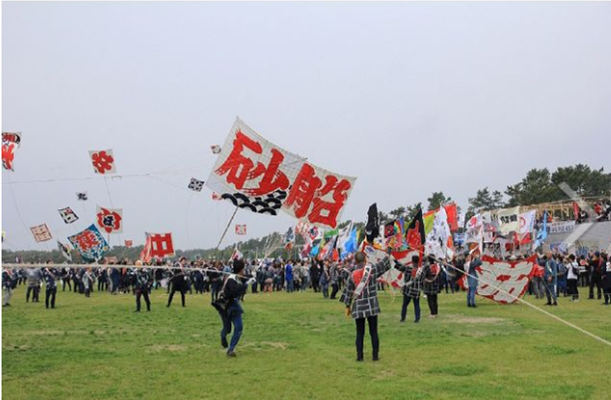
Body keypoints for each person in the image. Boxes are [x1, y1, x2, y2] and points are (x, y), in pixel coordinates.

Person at [341, 248, 392, 362]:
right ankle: (375, 356)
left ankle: (360, 357)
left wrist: (348, 306)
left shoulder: (352, 275)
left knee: (360, 333)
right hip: (372, 305)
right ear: (365, 260)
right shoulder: (372, 269)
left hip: (358, 307)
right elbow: (384, 263)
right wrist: (389, 251)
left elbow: (348, 293)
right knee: (373, 332)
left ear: (355, 261)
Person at [216, 259, 254, 357]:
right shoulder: (231, 279)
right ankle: (223, 336)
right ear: (241, 269)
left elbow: (244, 278)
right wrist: (245, 285)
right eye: (243, 269)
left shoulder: (238, 277)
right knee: (227, 329)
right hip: (227, 306)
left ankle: (231, 349)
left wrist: (252, 275)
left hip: (234, 306)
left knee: (239, 327)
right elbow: (234, 291)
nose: (244, 271)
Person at [399, 255, 422, 323]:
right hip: (417, 290)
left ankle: (403, 318)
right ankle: (417, 318)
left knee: (405, 305)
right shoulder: (420, 270)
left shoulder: (408, 268)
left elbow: (399, 267)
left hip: (408, 290)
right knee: (416, 305)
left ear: (412, 261)